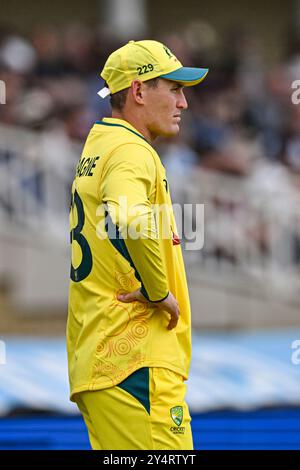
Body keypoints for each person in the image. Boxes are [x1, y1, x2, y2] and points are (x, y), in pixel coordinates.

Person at [67, 39, 208, 450]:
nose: (183, 103)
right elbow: (129, 216)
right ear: (139, 91)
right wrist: (157, 289)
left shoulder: (101, 145)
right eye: (175, 89)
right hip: (135, 361)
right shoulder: (131, 149)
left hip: (105, 358)